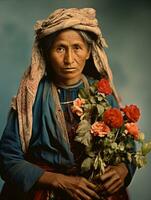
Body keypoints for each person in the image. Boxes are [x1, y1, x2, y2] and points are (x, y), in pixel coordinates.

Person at [0, 8, 136, 200]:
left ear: (89, 51)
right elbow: (7, 160)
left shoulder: (103, 93)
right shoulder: (30, 99)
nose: (69, 60)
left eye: (77, 48)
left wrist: (123, 169)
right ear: (47, 53)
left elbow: (127, 147)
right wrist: (58, 181)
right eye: (60, 48)